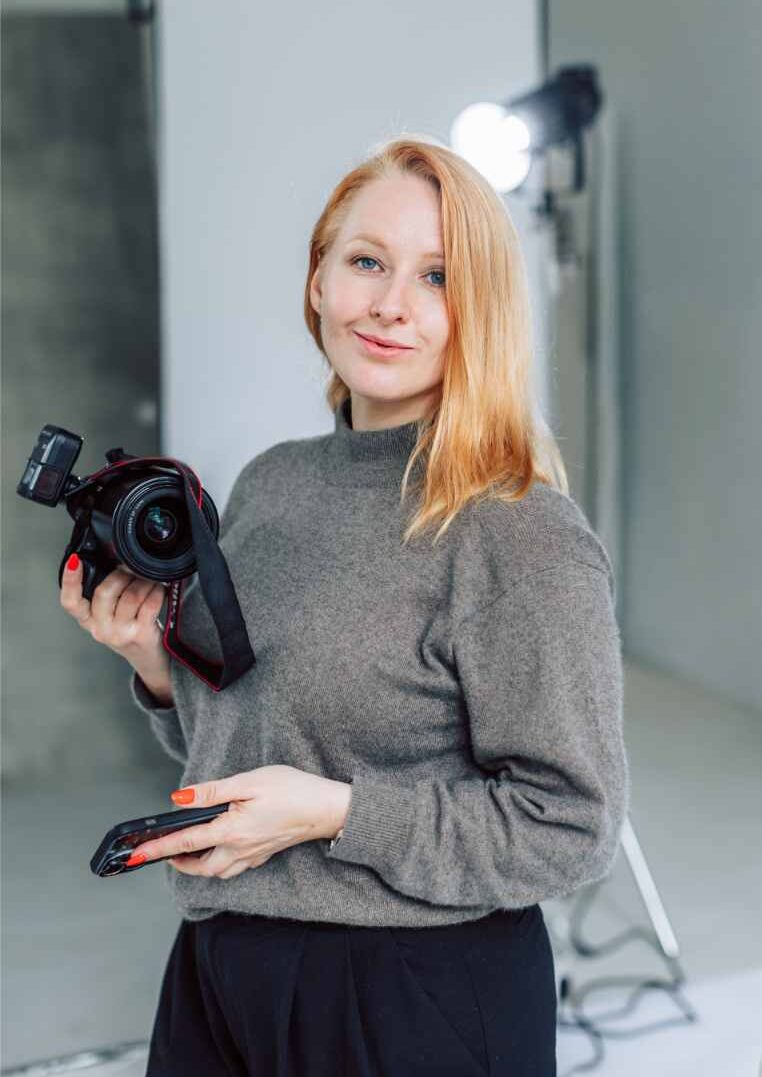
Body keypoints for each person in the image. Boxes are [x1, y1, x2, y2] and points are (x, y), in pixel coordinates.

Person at [60, 134, 630, 1076]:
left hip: (416, 991)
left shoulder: (517, 529)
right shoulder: (270, 486)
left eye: (439, 277)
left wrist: (332, 813)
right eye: (366, 260)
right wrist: (158, 673)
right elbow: (249, 738)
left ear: (479, 311)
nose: (390, 305)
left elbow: (569, 828)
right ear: (319, 276)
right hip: (219, 966)